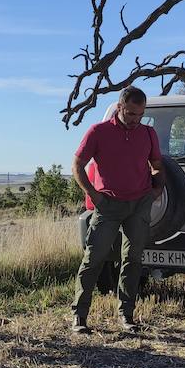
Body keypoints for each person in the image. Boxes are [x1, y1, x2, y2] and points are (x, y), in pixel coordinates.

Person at [71, 86, 165, 334]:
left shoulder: (148, 133)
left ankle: (127, 315)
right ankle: (79, 316)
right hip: (108, 205)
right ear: (120, 107)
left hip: (139, 204)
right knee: (94, 259)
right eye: (132, 113)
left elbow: (156, 164)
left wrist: (156, 190)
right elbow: (77, 165)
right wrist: (94, 196)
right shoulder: (98, 132)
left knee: (133, 260)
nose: (136, 119)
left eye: (141, 114)